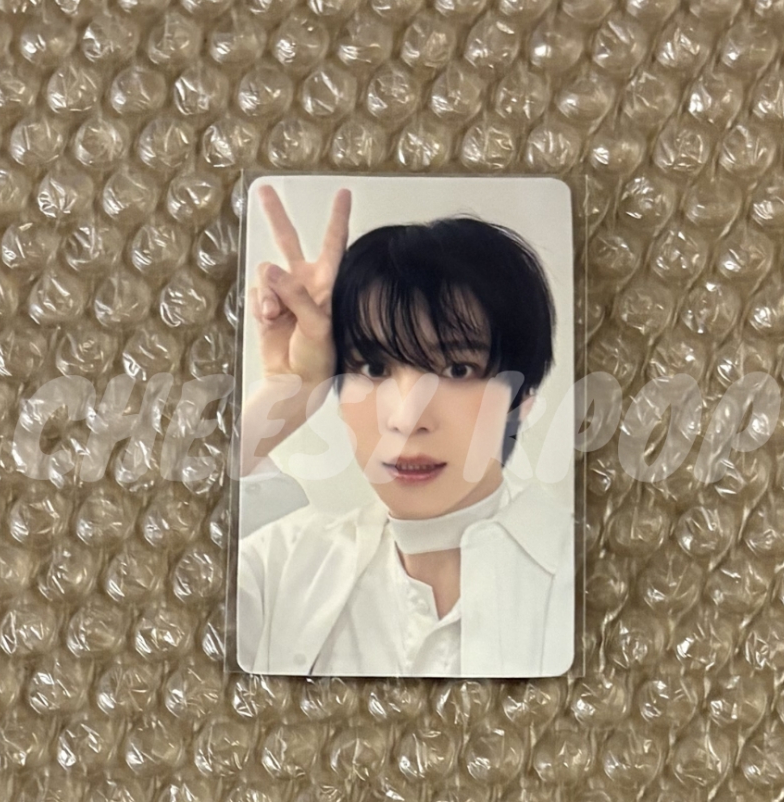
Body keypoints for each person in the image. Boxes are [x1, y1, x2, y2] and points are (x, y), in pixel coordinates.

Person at [236, 182, 574, 678]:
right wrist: (286, 391)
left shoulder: (589, 574)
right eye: (373, 368)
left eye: (457, 369)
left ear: (522, 398)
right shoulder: (278, 565)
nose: (407, 418)